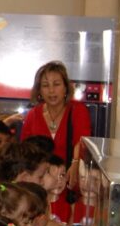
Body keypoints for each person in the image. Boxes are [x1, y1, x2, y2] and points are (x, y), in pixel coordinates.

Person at [20, 61, 92, 210]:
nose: (51, 91)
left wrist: (75, 163)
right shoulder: (33, 115)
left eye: (56, 84)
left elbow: (82, 142)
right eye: (45, 85)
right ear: (39, 90)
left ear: (66, 87)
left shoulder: (78, 110)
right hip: (41, 189)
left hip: (70, 186)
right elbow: (25, 152)